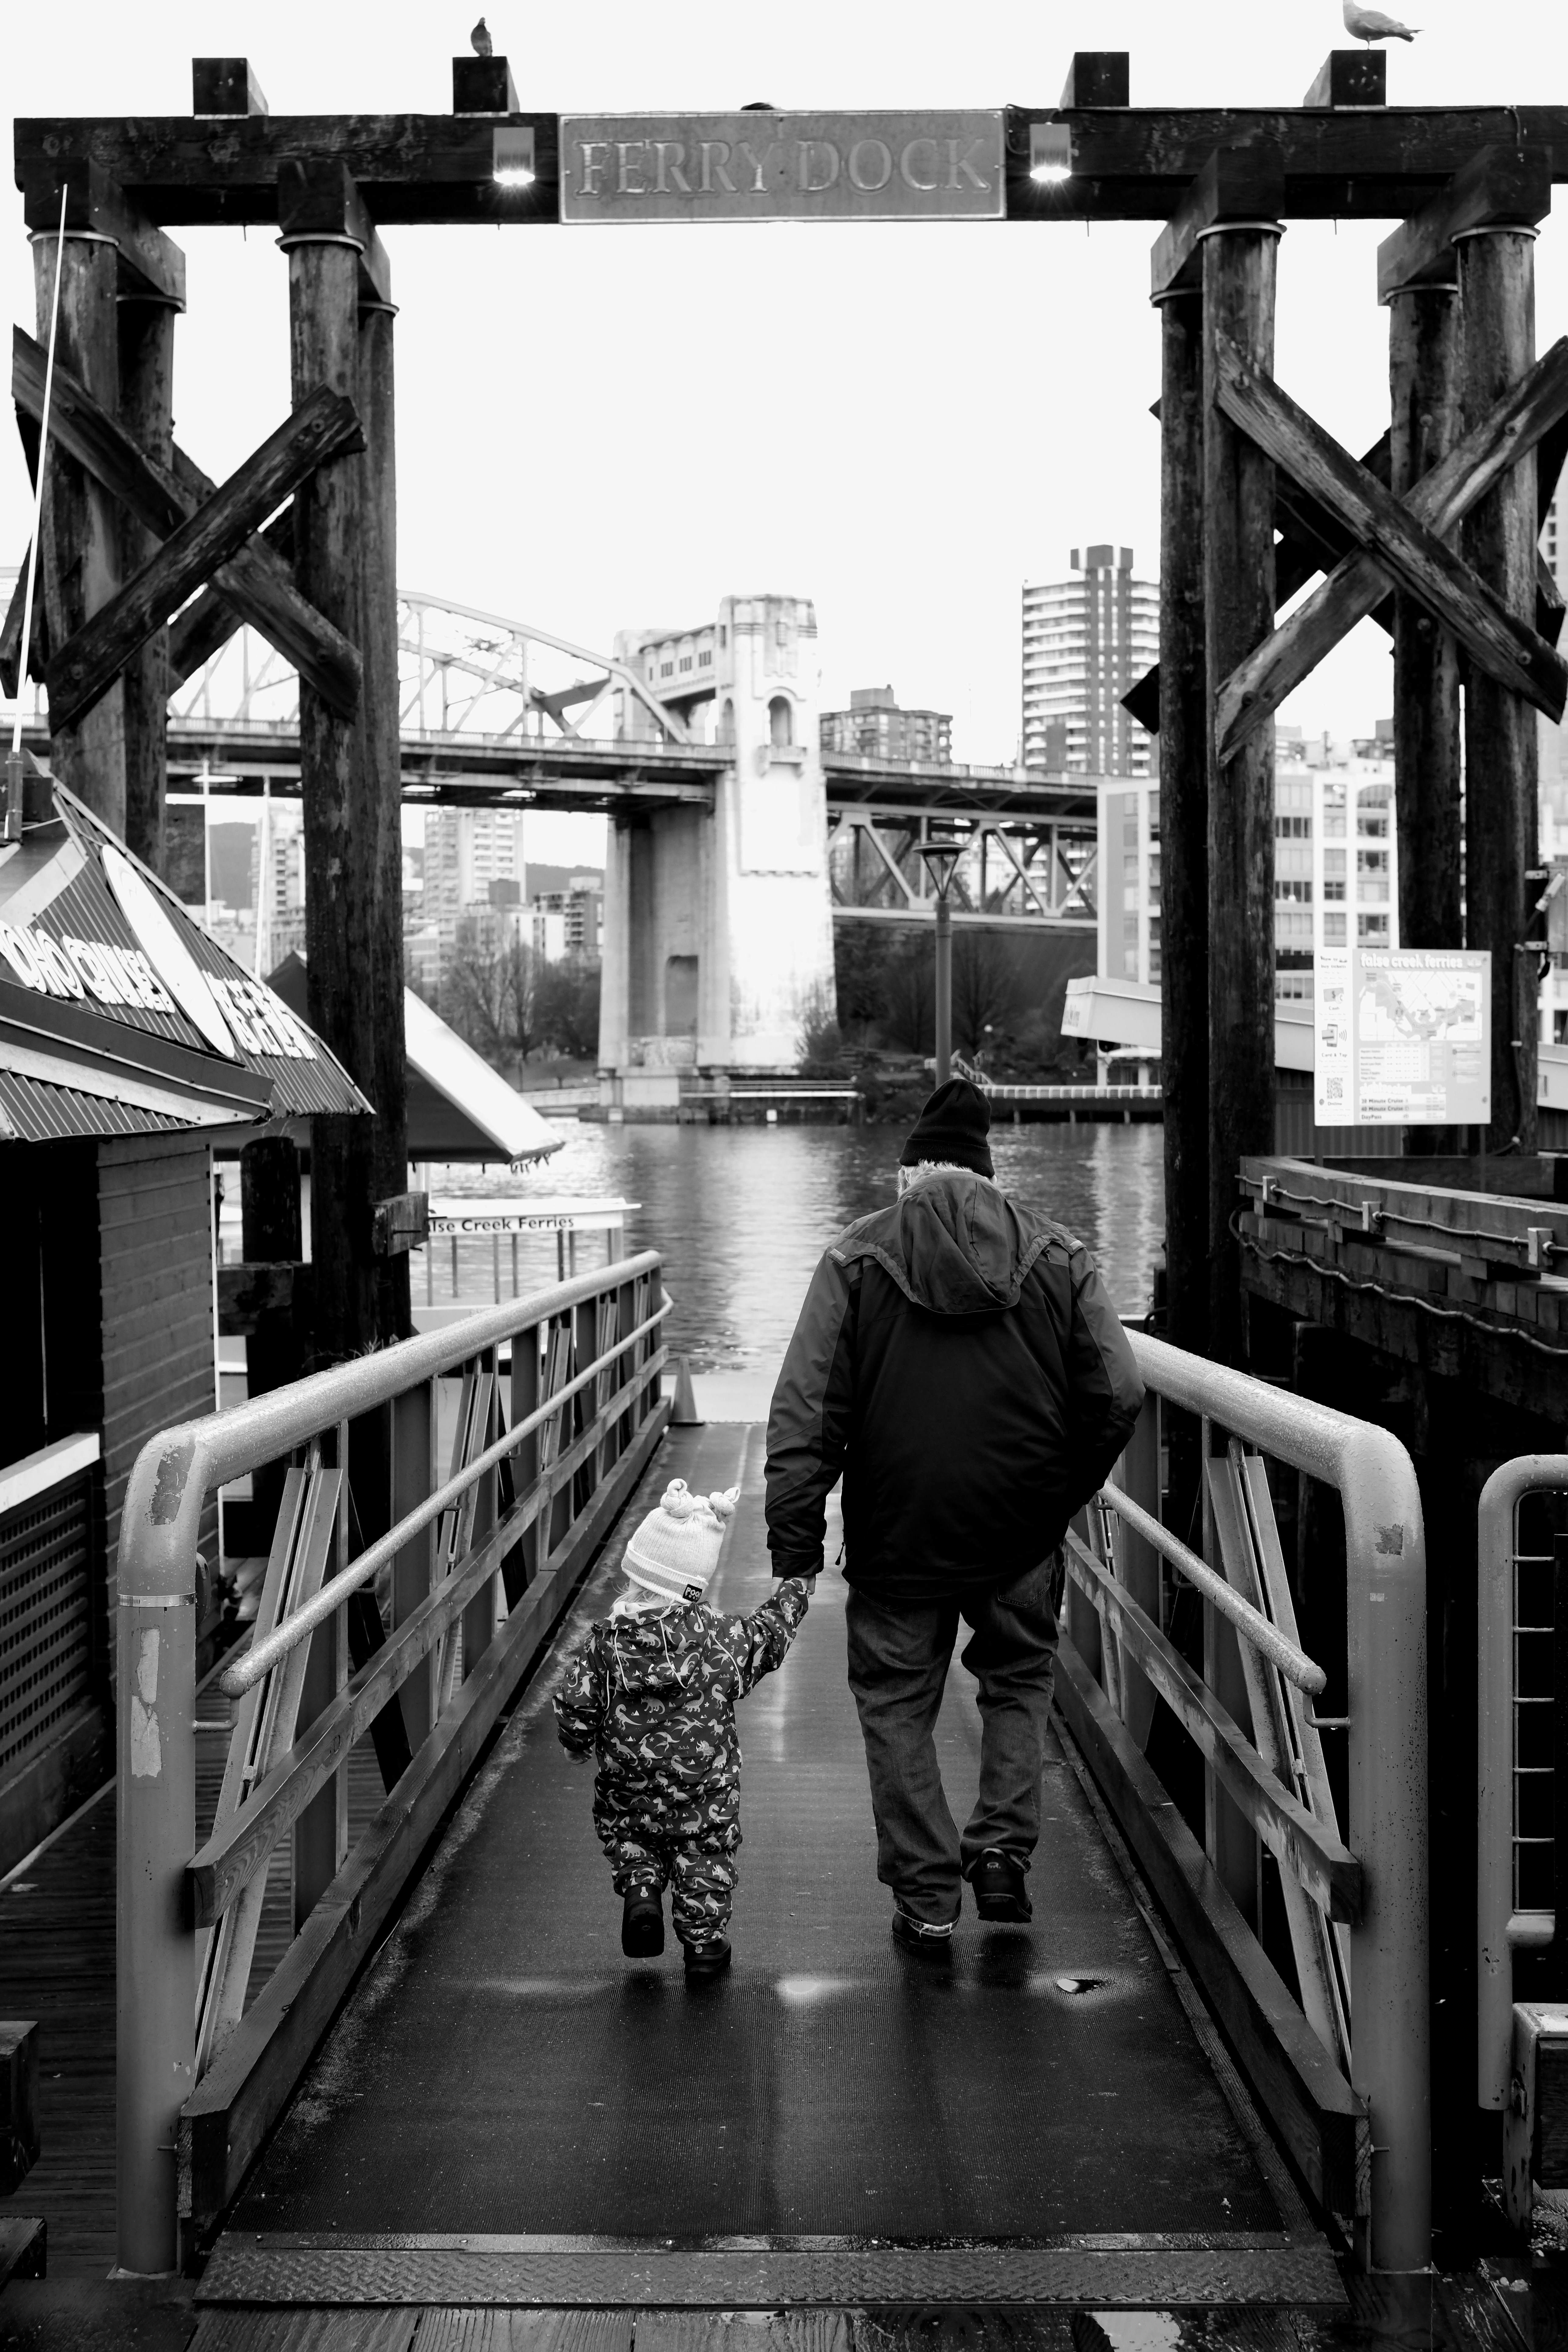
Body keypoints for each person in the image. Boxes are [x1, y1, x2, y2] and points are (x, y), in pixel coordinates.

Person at [764, 1077, 1144, 1955]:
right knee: (1016, 1681)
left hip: (899, 1536)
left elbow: (806, 1414)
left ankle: (929, 1897)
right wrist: (1062, 1489)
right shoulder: (1059, 1255)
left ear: (911, 1174)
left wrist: (796, 1546)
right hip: (1020, 1528)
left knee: (897, 1703)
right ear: (988, 1172)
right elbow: (1119, 1391)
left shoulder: (856, 1260)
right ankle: (1004, 1851)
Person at [554, 1477, 813, 1980]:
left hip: (630, 1789)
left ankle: (642, 1890)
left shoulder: (604, 1643)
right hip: (704, 1796)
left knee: (631, 1839)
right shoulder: (719, 1639)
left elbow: (576, 1703)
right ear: (695, 1584)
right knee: (705, 1860)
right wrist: (795, 1591)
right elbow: (767, 1637)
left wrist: (576, 1745)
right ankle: (705, 1949)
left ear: (636, 1575)